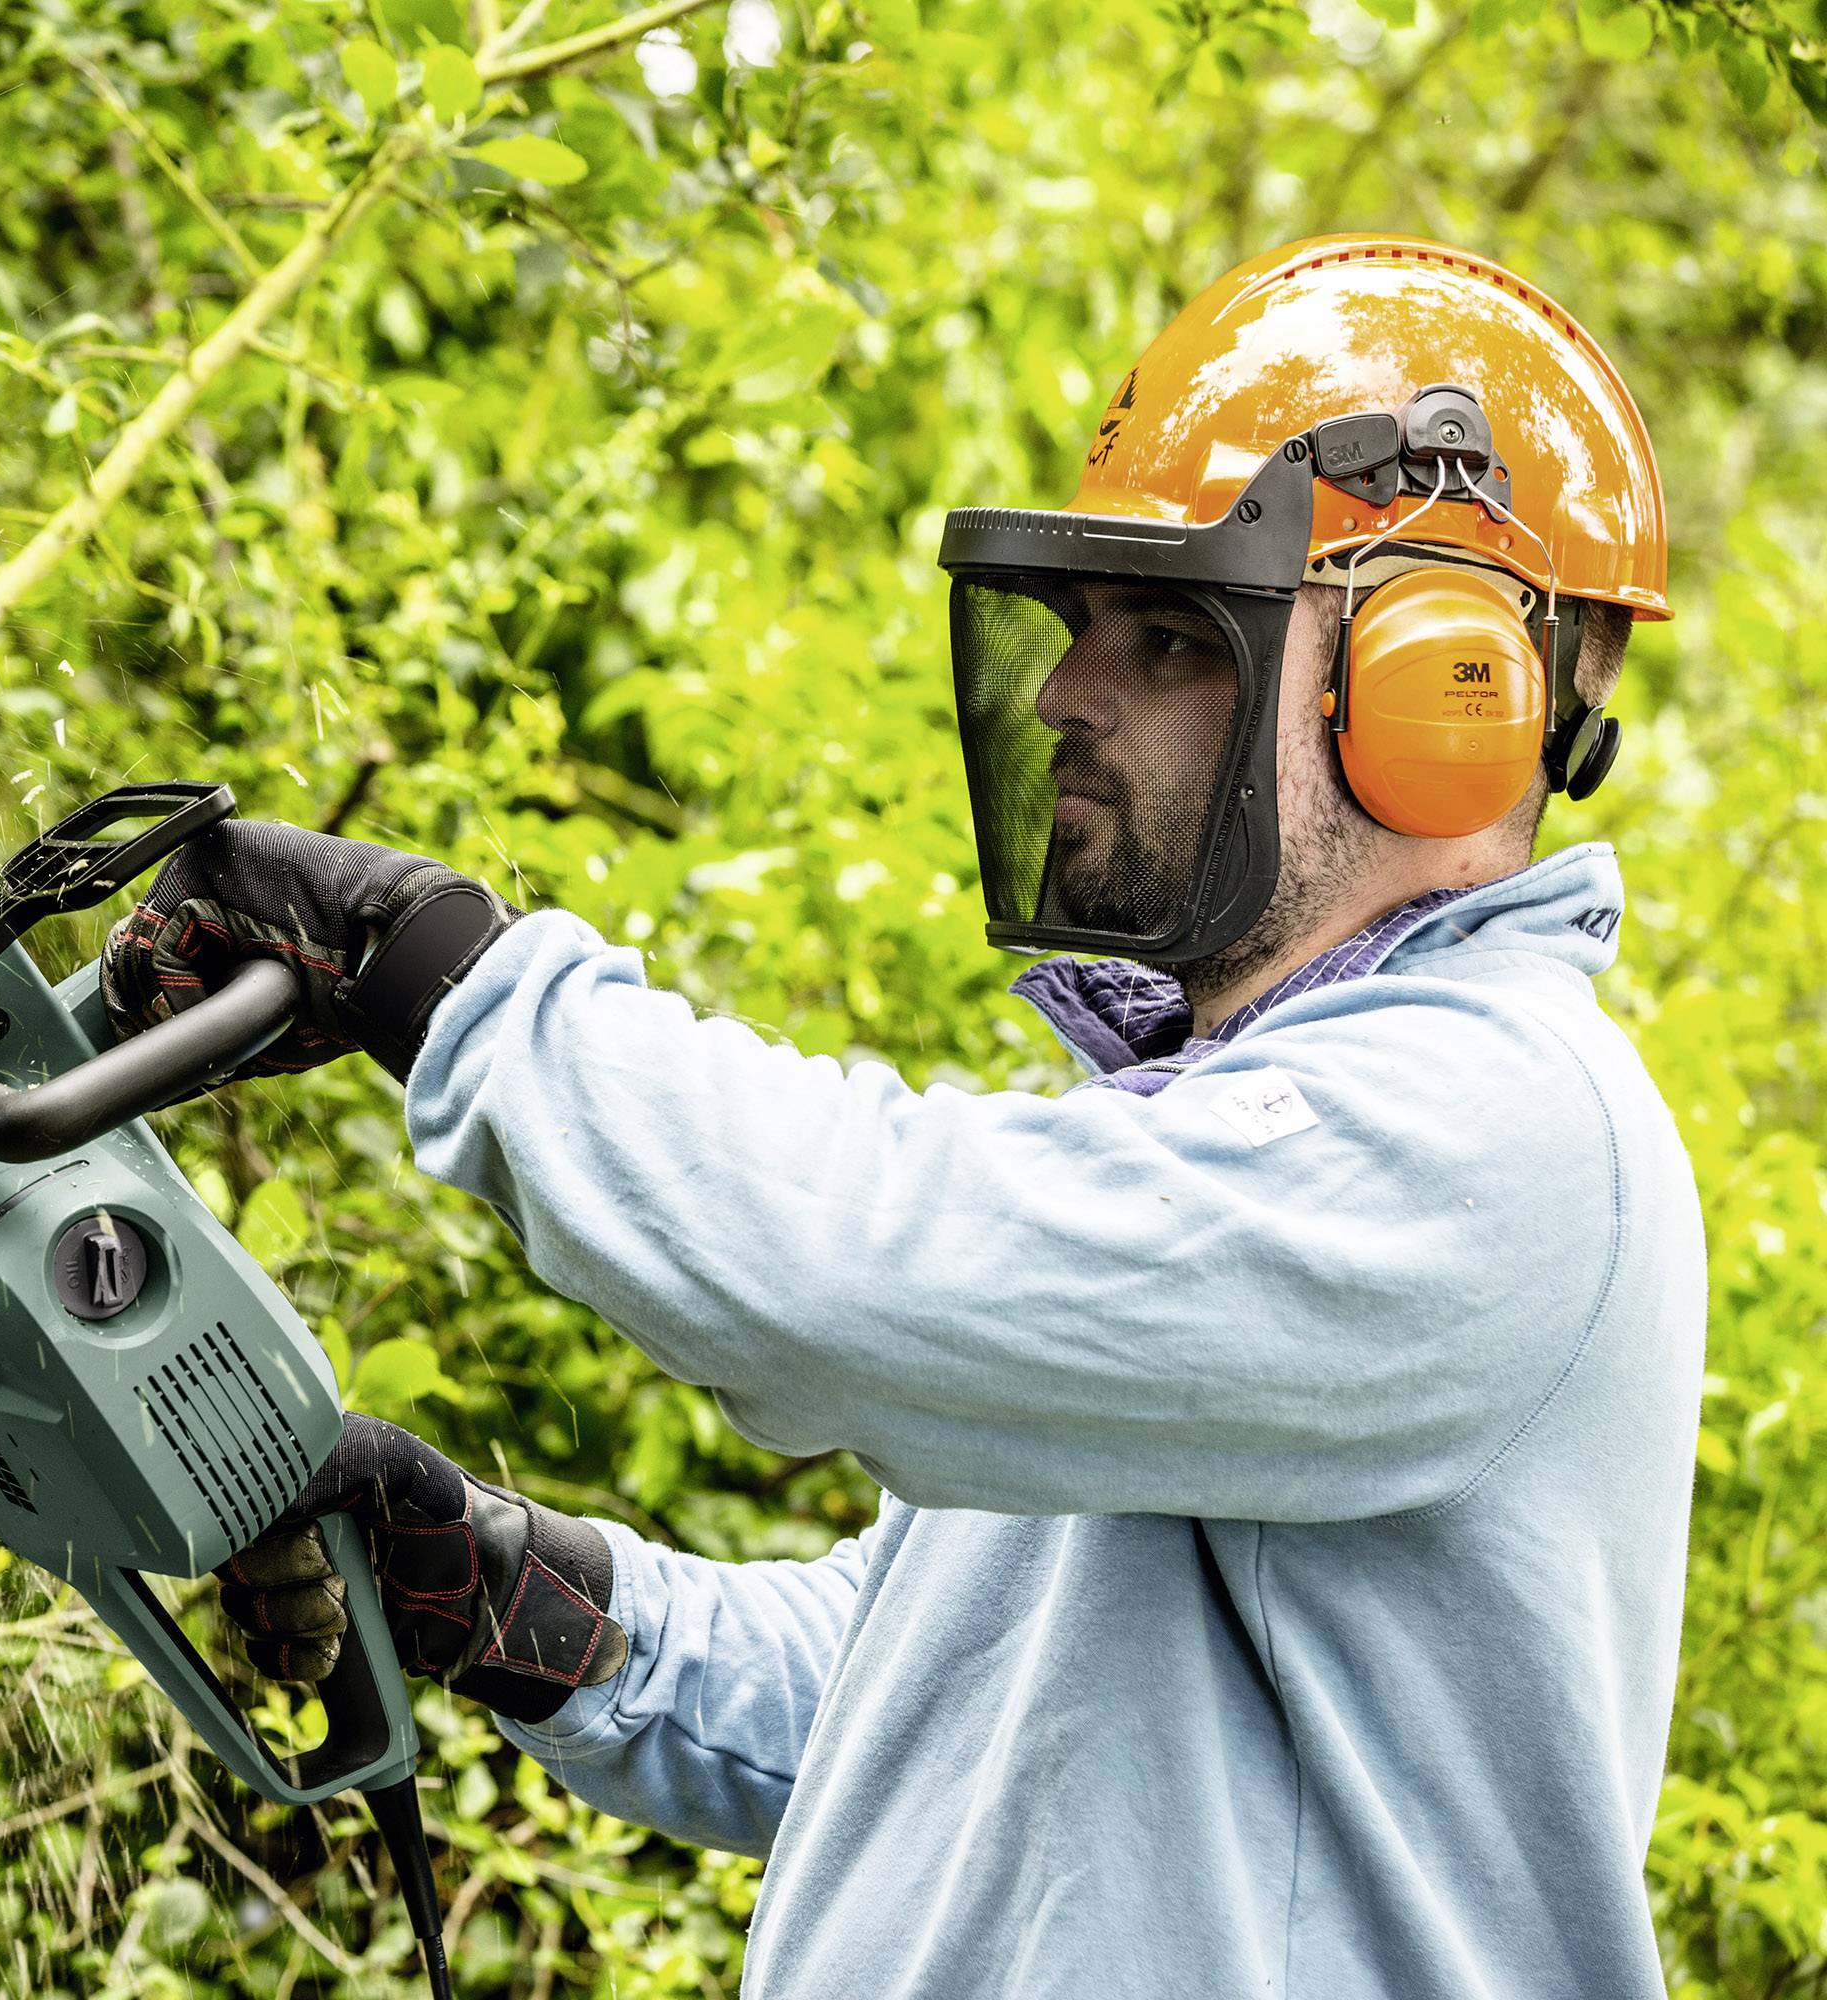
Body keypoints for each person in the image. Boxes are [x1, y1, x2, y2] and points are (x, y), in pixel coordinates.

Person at [97, 236, 1703, 1998]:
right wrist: (526, 1603)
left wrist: (439, 974)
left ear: (1445, 693)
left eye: (1168, 638)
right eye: (1082, 629)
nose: (1063, 699)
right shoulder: (1220, 1151)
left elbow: (848, 1265)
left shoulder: (1501, 1135)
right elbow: (946, 1716)